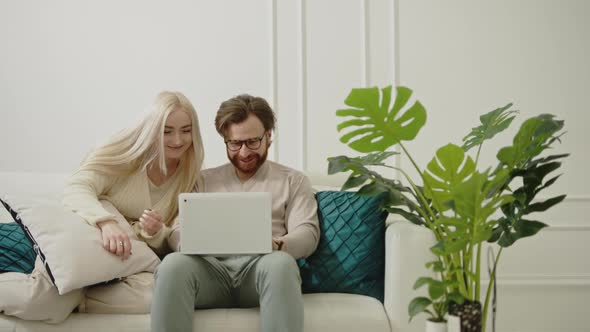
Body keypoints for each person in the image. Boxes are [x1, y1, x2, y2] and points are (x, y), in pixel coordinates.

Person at [0, 91, 205, 323]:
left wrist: (157, 232)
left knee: (156, 294)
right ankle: (70, 295)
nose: (177, 140)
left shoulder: (189, 176)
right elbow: (76, 187)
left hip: (123, 263)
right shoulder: (126, 157)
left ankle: (79, 297)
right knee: (42, 302)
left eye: (186, 130)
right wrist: (106, 222)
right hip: (85, 245)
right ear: (151, 129)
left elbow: (171, 236)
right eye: (167, 131)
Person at [151, 94, 320, 332]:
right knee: (172, 265)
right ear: (225, 141)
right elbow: (178, 231)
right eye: (235, 143)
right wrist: (186, 241)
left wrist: (278, 245)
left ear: (268, 136)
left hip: (262, 272)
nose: (243, 152)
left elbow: (308, 233)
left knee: (281, 264)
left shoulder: (293, 181)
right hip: (210, 274)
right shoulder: (202, 180)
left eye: (252, 142)